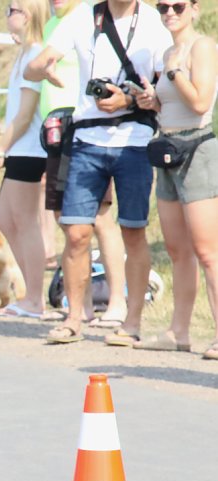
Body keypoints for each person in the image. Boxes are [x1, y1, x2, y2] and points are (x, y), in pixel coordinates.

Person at [25, 0, 171, 344]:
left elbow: (165, 84)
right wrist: (40, 67)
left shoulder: (152, 22)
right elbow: (33, 66)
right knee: (76, 233)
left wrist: (130, 100)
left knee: (133, 232)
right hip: (87, 139)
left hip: (134, 140)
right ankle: (74, 319)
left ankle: (131, 323)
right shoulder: (82, 16)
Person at [131, 0, 218, 359]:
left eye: (177, 6)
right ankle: (178, 330)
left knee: (208, 251)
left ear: (195, 9)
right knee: (177, 249)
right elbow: (175, 101)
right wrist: (152, 100)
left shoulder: (202, 47)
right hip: (166, 148)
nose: (169, 13)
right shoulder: (169, 51)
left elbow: (200, 103)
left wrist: (172, 74)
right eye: (162, 6)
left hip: (197, 149)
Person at [39, 0, 129, 327]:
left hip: (93, 128)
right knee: (71, 224)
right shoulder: (58, 23)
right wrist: (40, 65)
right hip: (61, 130)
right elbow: (35, 66)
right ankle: (84, 304)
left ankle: (118, 299)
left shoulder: (94, 15)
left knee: (102, 218)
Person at [0, 0, 49, 318]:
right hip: (20, 150)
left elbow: (26, 114)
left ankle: (35, 298)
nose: (7, 16)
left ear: (27, 15)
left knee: (25, 223)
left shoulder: (35, 53)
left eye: (12, 10)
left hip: (28, 150)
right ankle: (32, 293)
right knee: (7, 221)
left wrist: (1, 148)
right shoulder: (25, 53)